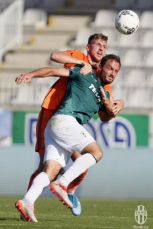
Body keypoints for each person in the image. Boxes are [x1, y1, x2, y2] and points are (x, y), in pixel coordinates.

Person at [15, 54, 122, 223]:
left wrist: (116, 106)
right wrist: (31, 75)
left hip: (56, 128)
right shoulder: (84, 72)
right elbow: (52, 70)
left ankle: (27, 200)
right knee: (97, 153)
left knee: (50, 171)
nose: (112, 73)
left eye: (116, 71)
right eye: (110, 68)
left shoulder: (105, 93)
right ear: (100, 66)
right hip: (64, 120)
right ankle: (63, 183)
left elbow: (105, 117)